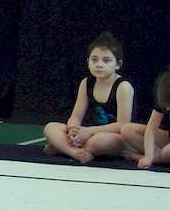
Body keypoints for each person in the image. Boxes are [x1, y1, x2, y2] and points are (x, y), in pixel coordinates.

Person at [43, 32, 133, 162]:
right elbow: (76, 115)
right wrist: (72, 129)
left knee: (98, 141)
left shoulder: (123, 86)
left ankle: (63, 147)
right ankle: (75, 152)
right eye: (94, 60)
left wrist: (89, 131)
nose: (99, 64)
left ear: (118, 64)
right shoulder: (86, 83)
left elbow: (123, 126)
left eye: (106, 60)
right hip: (89, 132)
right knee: (50, 128)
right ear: (88, 62)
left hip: (114, 137)